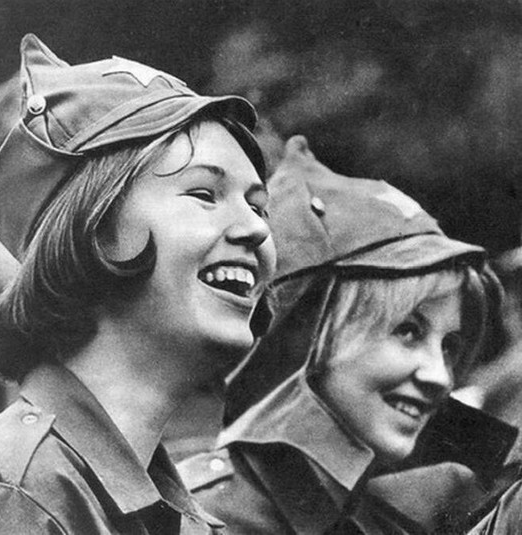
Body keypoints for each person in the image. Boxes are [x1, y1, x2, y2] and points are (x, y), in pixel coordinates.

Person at [0, 33, 276, 534]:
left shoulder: (179, 518)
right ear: (94, 231)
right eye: (205, 193)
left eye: (259, 207)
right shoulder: (20, 495)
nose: (257, 229)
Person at [178, 136, 507, 534]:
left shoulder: (388, 520)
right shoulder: (204, 519)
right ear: (308, 335)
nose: (440, 376)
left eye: (449, 346)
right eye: (407, 330)